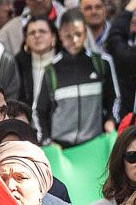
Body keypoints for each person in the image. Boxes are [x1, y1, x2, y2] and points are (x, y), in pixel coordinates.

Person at [38, 11, 117, 148]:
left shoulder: (101, 63)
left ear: (85, 34)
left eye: (78, 34)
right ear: (60, 36)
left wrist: (111, 120)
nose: (73, 40)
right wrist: (47, 140)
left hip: (95, 144)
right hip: (61, 149)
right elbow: (40, 110)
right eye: (68, 36)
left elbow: (114, 99)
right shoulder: (51, 70)